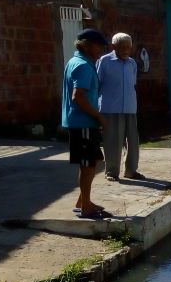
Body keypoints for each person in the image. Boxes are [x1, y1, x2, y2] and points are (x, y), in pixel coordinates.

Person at [62, 29, 110, 219]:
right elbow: (78, 97)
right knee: (87, 163)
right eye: (99, 46)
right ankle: (86, 208)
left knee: (94, 160)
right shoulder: (82, 65)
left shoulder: (80, 62)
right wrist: (98, 116)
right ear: (87, 45)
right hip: (82, 122)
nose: (102, 50)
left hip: (83, 121)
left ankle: (83, 201)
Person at [96, 32, 144, 181]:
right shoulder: (104, 61)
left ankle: (131, 170)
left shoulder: (132, 63)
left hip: (130, 107)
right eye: (122, 47)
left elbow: (132, 85)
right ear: (113, 46)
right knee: (112, 142)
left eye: (128, 48)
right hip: (111, 108)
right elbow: (96, 85)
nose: (125, 51)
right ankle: (111, 172)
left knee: (132, 142)